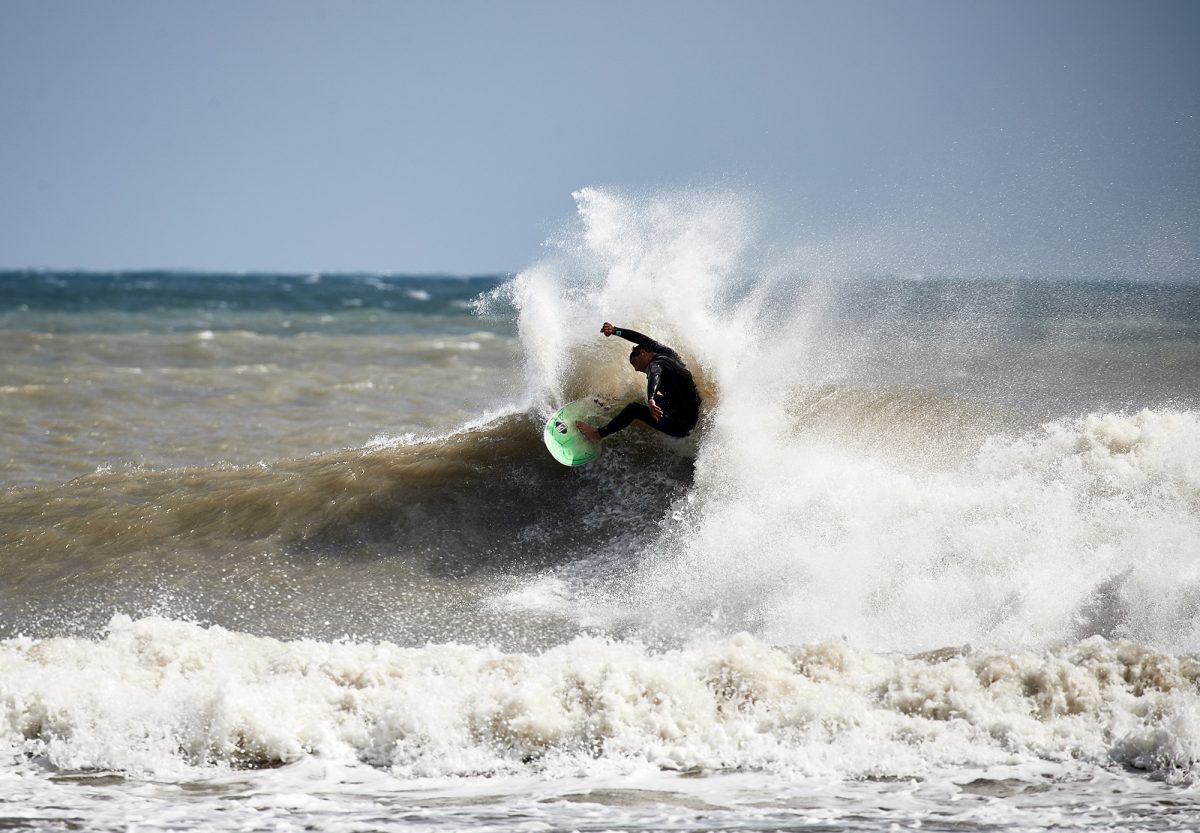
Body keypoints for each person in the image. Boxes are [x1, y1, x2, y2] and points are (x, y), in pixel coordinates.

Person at [576, 322, 701, 442]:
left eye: (634, 362)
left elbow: (655, 375)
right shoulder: (666, 353)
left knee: (634, 409)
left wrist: (651, 398)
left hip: (682, 425)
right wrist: (615, 330)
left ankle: (597, 434)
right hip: (693, 412)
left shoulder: (655, 365)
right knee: (641, 398)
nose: (636, 369)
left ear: (643, 353)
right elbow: (639, 338)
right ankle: (610, 406)